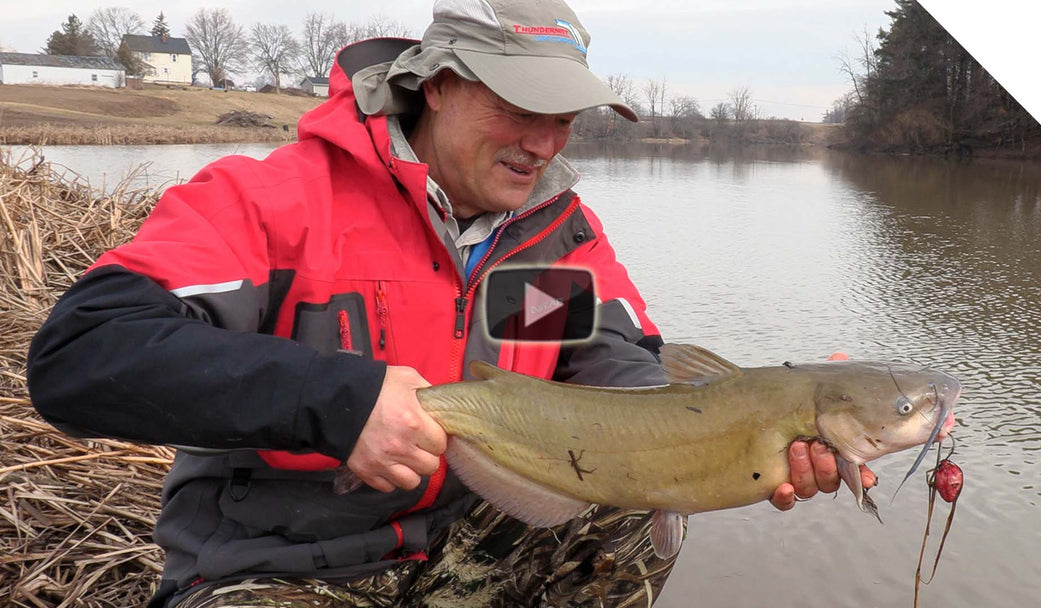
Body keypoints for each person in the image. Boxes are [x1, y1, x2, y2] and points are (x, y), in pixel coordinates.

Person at [27, 1, 876, 606]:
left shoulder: (553, 235)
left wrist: (759, 418)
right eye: (517, 108)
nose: (543, 144)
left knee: (625, 519)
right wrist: (338, 402)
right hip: (281, 566)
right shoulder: (275, 202)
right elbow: (82, 356)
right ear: (435, 85)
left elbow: (615, 371)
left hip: (466, 549)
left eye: (565, 118)